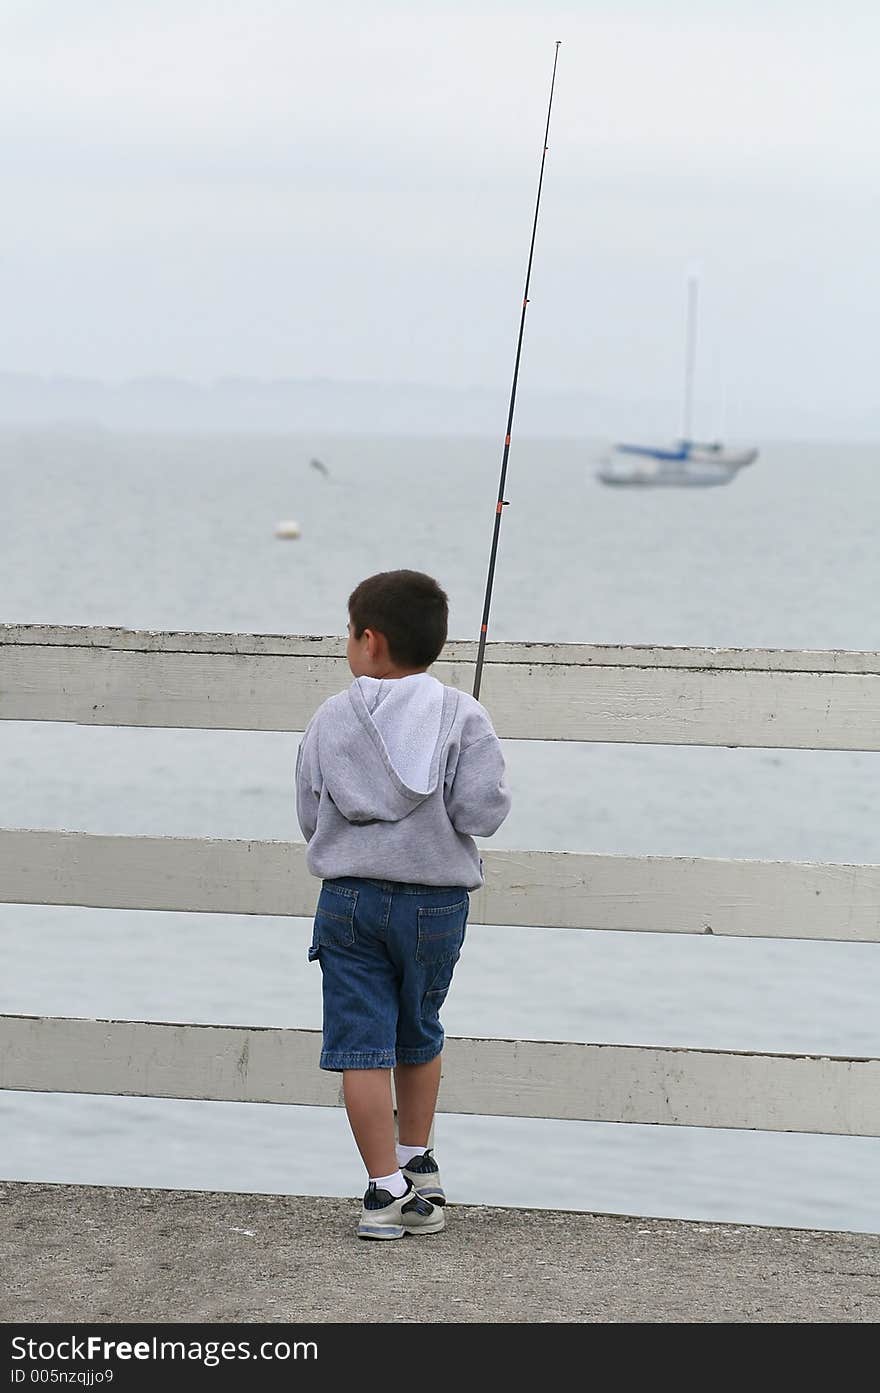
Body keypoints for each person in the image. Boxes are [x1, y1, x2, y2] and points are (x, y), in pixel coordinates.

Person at [295, 568, 511, 1239]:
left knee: (362, 1046)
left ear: (370, 640)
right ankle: (420, 1163)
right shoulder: (462, 714)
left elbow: (310, 808)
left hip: (348, 900)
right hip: (435, 908)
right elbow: (484, 811)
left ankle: (384, 1189)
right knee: (420, 1030)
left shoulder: (331, 716)